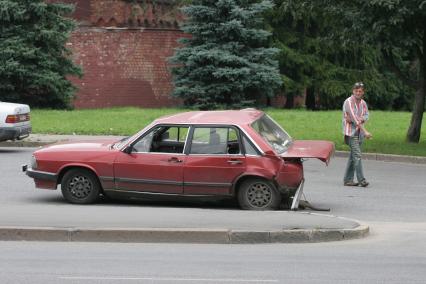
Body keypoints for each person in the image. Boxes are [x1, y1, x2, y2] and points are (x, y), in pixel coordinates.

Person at [342, 82, 372, 187]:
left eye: (360, 91)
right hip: (351, 134)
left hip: (359, 134)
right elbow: (354, 119)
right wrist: (365, 131)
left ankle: (347, 180)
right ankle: (362, 180)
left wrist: (360, 118)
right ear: (353, 91)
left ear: (363, 92)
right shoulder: (348, 102)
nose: (358, 93)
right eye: (356, 91)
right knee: (357, 156)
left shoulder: (363, 103)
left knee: (353, 156)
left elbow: (367, 115)